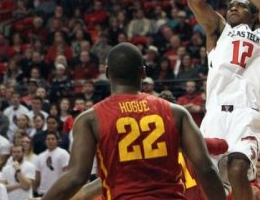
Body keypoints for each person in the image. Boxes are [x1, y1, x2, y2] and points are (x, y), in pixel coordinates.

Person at [37, 43, 226, 200]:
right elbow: (206, 169)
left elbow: (76, 177)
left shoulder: (90, 118)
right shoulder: (177, 112)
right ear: (143, 73)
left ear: (108, 73)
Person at [188, 0, 260, 198]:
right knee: (207, 181)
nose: (233, 8)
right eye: (230, 6)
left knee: (238, 169)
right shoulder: (219, 30)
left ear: (252, 16)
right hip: (215, 113)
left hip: (246, 112)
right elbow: (195, 1)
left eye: (240, 6)